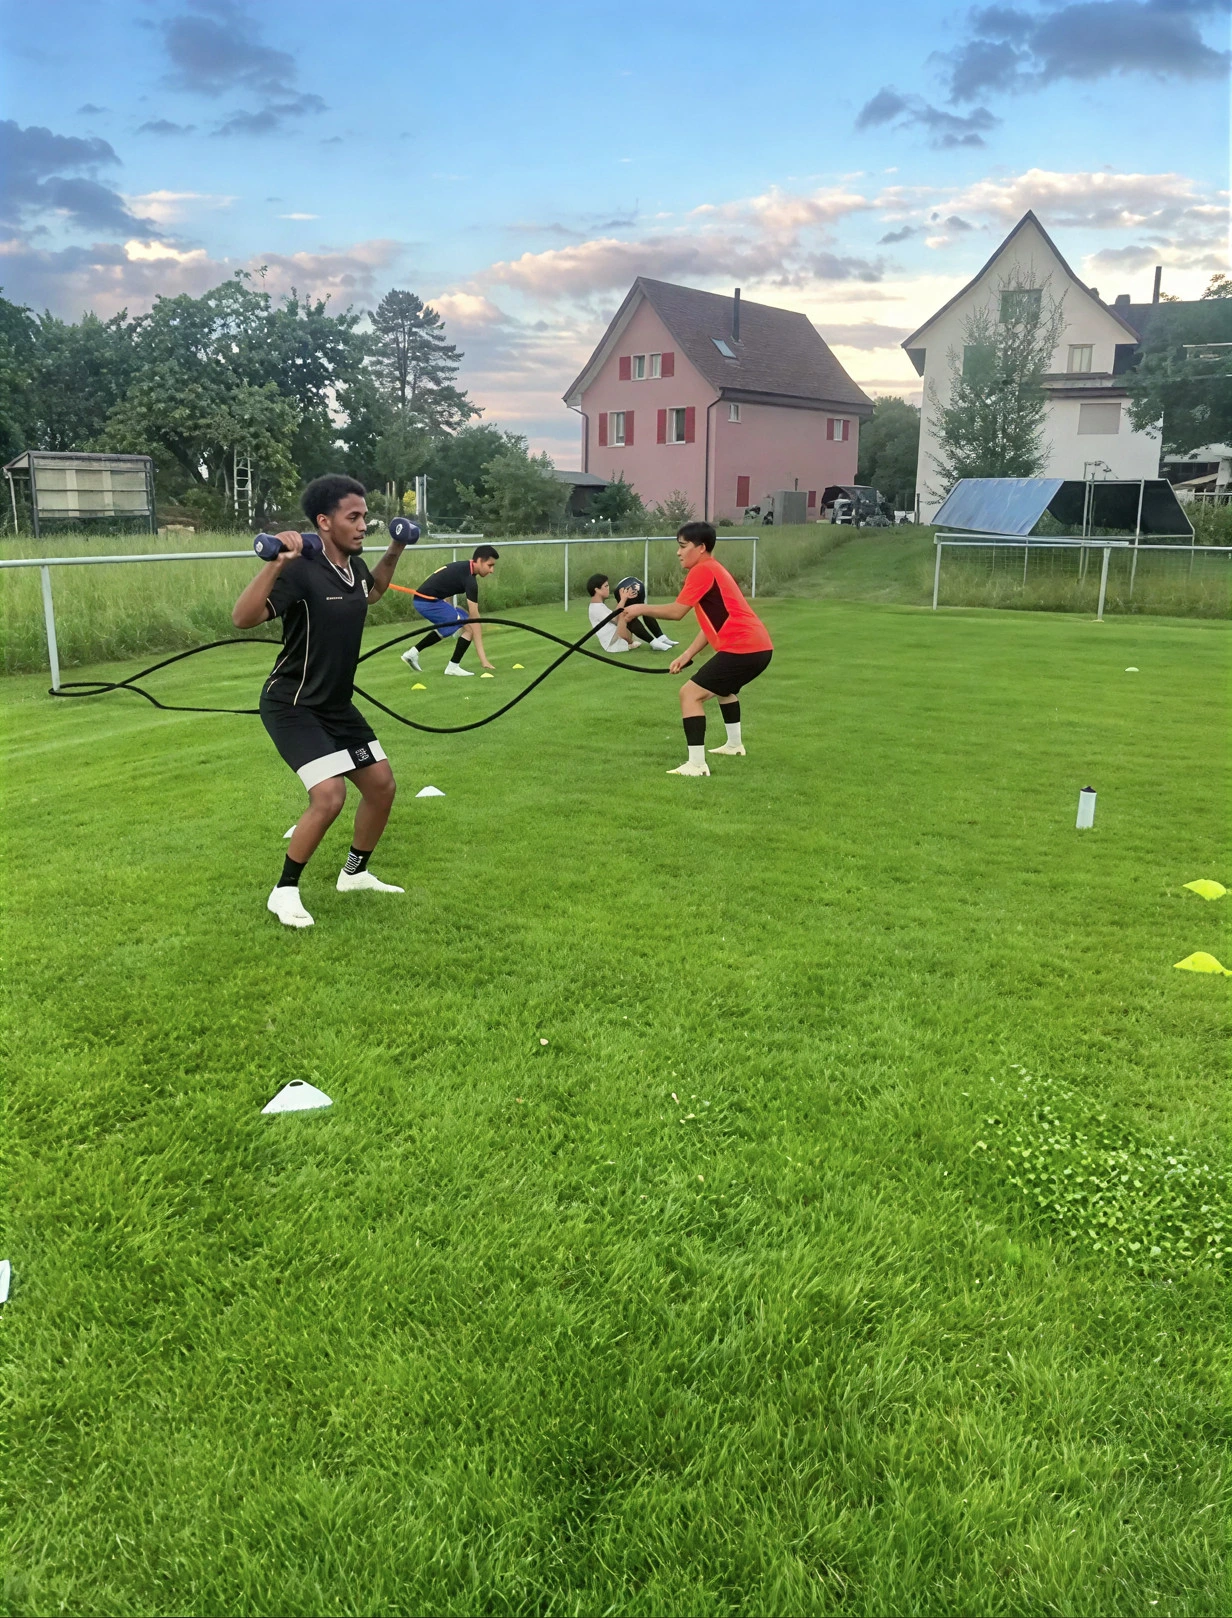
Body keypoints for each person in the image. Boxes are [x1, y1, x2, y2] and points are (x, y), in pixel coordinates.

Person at [232, 474, 412, 928]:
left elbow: (371, 593)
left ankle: (354, 874)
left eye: (365, 517)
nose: (363, 525)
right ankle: (284, 890)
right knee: (329, 796)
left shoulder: (352, 568)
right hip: (292, 704)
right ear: (323, 522)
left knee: (381, 787)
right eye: (354, 517)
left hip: (336, 705)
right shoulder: (302, 570)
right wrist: (276, 562)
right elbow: (242, 618)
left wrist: (395, 550)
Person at [621, 520, 773, 777]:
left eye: (683, 546)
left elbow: (677, 612)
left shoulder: (702, 571)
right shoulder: (715, 570)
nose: (678, 552)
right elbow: (711, 625)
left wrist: (640, 608)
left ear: (701, 547)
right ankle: (734, 746)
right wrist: (686, 655)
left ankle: (696, 765)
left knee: (689, 694)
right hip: (758, 647)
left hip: (743, 647)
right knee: (724, 690)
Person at [400, 545, 500, 676]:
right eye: (490, 565)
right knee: (467, 625)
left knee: (462, 623)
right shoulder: (470, 581)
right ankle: (449, 666)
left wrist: (449, 609)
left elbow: (447, 583)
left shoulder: (463, 567)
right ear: (480, 561)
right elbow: (476, 620)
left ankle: (415, 654)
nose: (492, 570)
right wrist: (484, 660)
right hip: (426, 601)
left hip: (428, 600)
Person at [585, 574, 676, 654]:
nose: (608, 588)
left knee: (642, 609)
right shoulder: (596, 608)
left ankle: (660, 637)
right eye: (606, 586)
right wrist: (623, 599)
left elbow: (614, 618)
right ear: (597, 590)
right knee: (628, 614)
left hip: (618, 636)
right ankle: (654, 642)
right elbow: (615, 618)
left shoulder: (598, 605)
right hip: (613, 643)